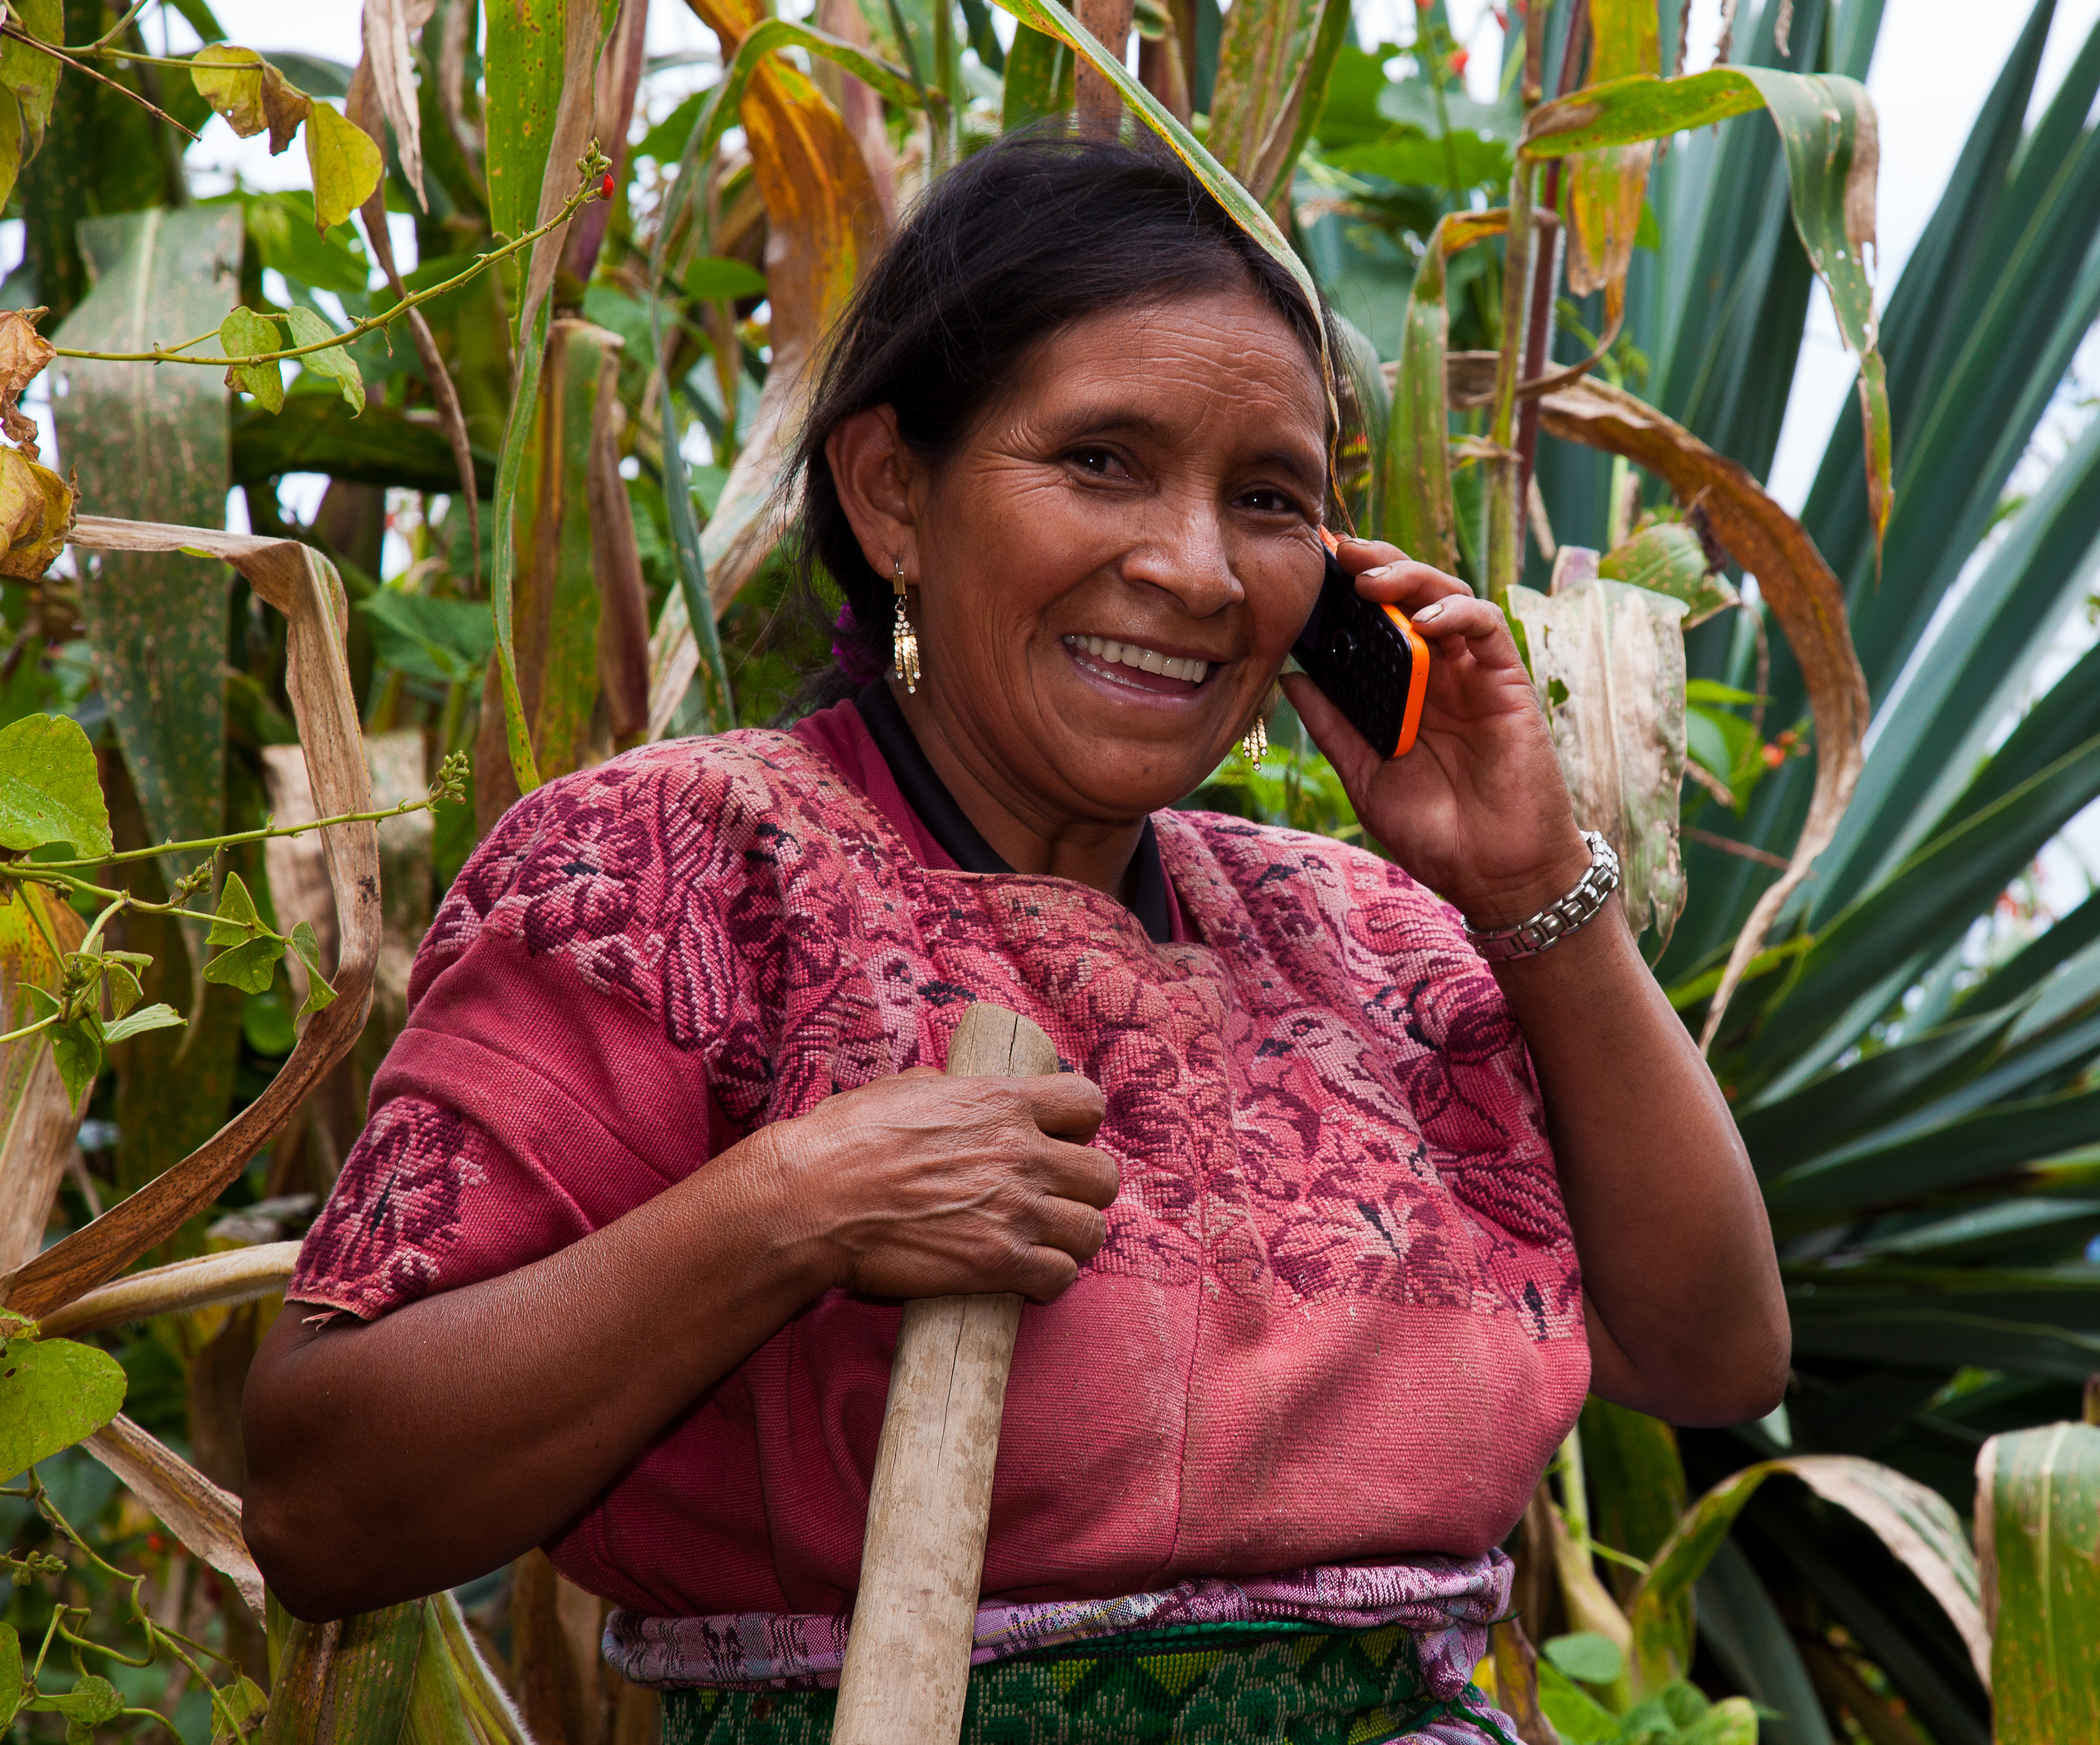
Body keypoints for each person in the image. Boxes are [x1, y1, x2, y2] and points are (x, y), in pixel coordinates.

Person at [241, 133, 1789, 1744]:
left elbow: (1713, 1351)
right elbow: (324, 1503)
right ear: (891, 491)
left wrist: (1537, 892)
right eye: (1103, 462)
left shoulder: (1369, 932)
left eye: (1268, 500)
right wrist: (792, 1207)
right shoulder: (676, 867)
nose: (1192, 569)